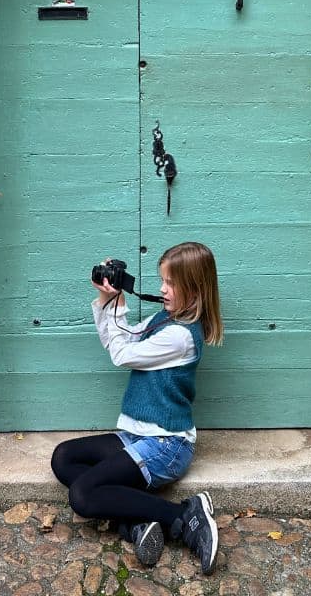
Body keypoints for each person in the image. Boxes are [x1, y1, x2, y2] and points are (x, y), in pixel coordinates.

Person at [51, 241, 223, 574]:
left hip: (166, 445)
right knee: (64, 458)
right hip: (137, 435)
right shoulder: (164, 317)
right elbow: (124, 336)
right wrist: (109, 298)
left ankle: (184, 516)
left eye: (171, 283)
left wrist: (116, 305)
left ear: (194, 287)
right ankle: (135, 523)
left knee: (83, 496)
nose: (162, 289)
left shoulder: (182, 336)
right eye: (163, 281)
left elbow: (121, 354)